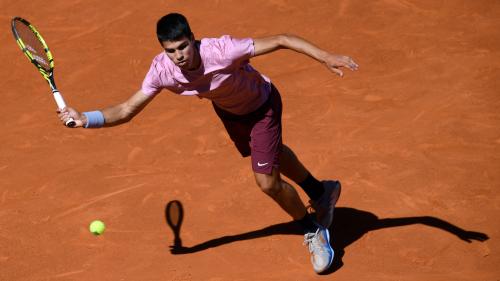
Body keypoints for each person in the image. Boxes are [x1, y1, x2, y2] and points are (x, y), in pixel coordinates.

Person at [58, 13, 358, 273]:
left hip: (263, 105)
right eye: (170, 50)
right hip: (230, 113)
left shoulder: (223, 50)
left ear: (193, 38)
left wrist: (325, 56)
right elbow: (126, 110)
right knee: (272, 152)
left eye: (182, 47)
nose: (178, 56)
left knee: (266, 181)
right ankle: (321, 191)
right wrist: (86, 118)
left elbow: (282, 39)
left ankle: (313, 230)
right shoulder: (163, 70)